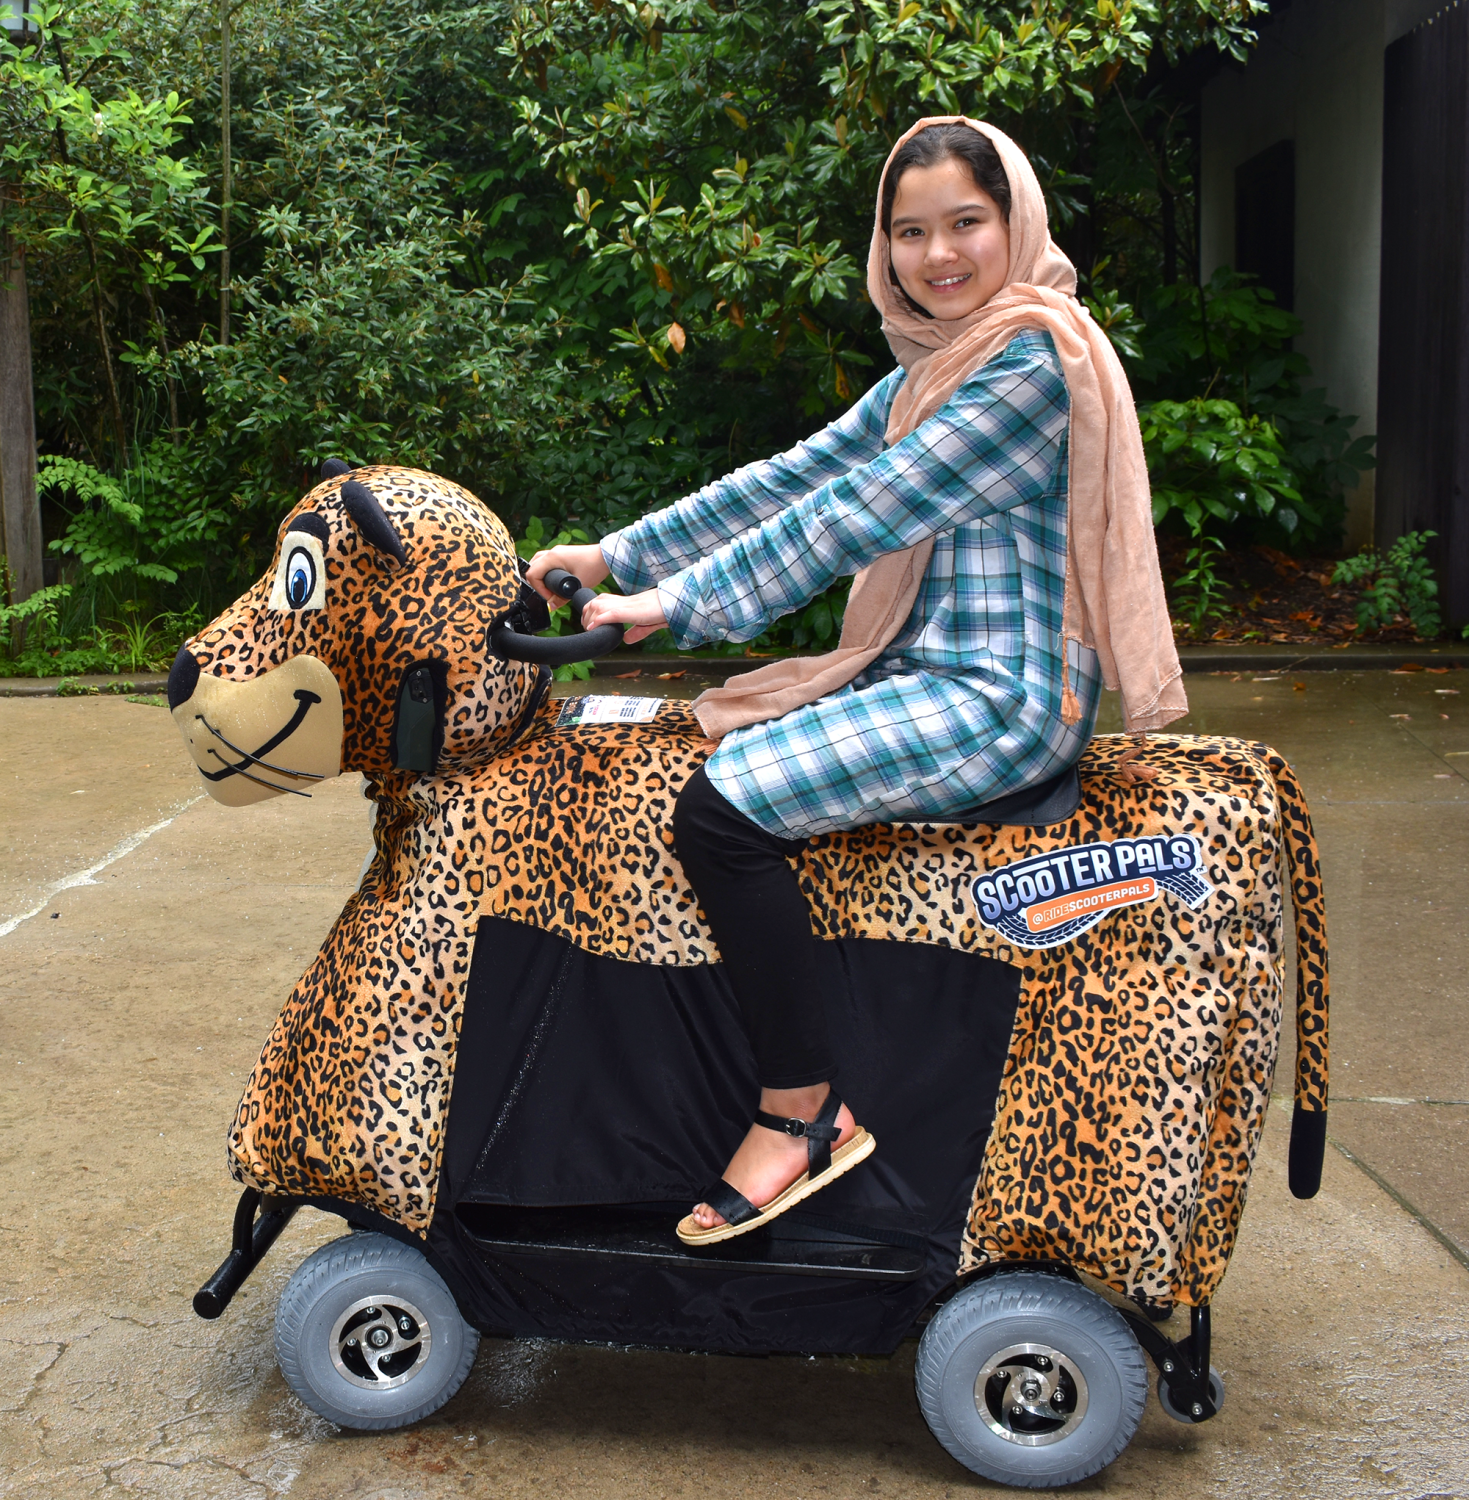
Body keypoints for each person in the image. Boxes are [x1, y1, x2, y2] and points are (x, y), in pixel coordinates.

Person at [527, 117, 1186, 1247]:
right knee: (692, 756)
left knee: (724, 807)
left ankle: (804, 1109)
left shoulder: (1030, 361)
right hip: (922, 672)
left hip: (1001, 698)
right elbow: (800, 473)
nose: (937, 255)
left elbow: (858, 514)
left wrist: (676, 605)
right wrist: (615, 557)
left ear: (1013, 220)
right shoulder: (936, 365)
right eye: (909, 231)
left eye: (964, 224)